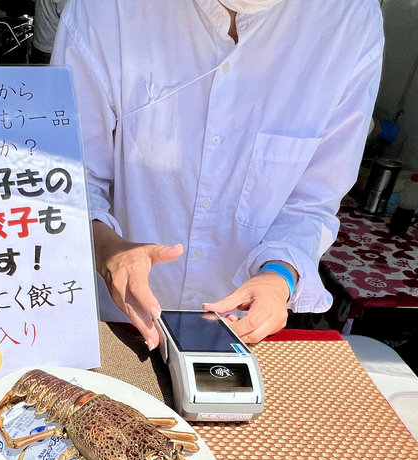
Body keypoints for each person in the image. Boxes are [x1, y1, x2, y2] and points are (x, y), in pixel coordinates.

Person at [51, 0, 383, 348]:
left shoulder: (349, 19)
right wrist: (110, 251)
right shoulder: (108, 9)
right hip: (118, 324)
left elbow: (312, 200)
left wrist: (278, 276)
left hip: (240, 331)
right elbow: (69, 179)